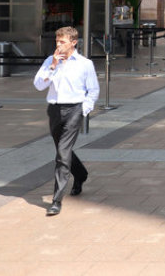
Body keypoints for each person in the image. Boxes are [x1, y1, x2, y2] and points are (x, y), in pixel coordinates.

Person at [33, 26, 99, 216]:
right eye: (57, 41)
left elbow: (93, 90)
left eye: (62, 42)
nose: (59, 45)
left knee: (62, 154)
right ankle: (81, 175)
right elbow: (38, 85)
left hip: (74, 109)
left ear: (73, 42)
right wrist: (53, 66)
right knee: (64, 151)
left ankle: (56, 200)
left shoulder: (85, 64)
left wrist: (83, 111)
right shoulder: (50, 61)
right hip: (54, 109)